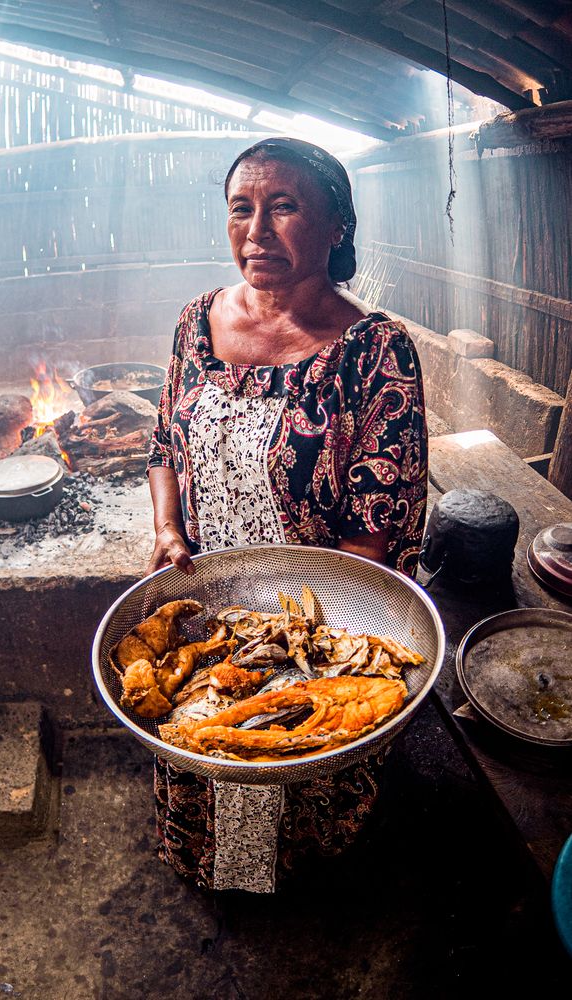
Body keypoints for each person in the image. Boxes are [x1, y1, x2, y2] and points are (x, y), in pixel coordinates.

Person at [146, 137, 428, 892]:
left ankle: (300, 874)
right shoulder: (195, 323)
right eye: (241, 209)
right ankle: (214, 869)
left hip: (321, 623)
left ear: (336, 225)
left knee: (288, 748)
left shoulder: (376, 353)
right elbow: (162, 444)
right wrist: (169, 529)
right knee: (199, 737)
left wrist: (283, 640)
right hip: (209, 606)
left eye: (284, 208)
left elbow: (376, 530)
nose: (256, 231)